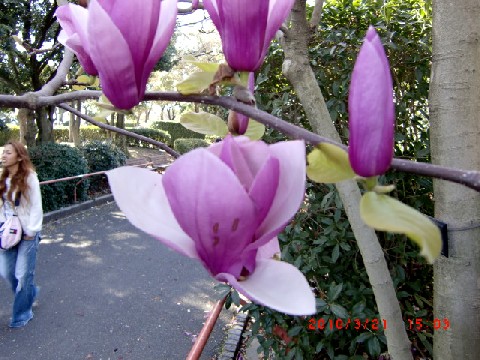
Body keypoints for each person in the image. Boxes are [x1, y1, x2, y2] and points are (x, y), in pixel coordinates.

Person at [0, 140, 43, 328]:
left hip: (27, 232)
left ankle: (22, 314)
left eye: (8, 153)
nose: (3, 155)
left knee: (23, 274)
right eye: (3, 152)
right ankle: (30, 293)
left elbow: (36, 205)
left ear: (19, 156)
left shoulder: (29, 177)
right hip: (7, 231)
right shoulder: (2, 177)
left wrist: (31, 231)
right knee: (8, 273)